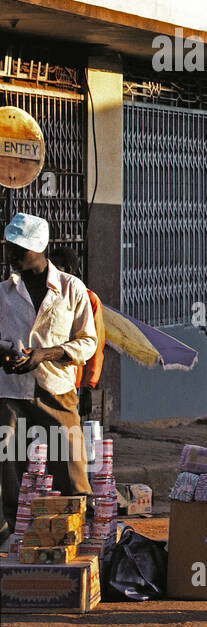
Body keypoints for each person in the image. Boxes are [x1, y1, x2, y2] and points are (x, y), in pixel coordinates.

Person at [1, 214, 97, 542]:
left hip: (57, 390)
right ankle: (19, 541)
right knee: (11, 471)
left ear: (40, 249)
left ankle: (78, 537)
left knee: (70, 466)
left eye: (20, 248)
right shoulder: (3, 293)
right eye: (9, 247)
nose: (11, 254)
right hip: (11, 393)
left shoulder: (71, 289)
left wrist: (45, 353)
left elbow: (87, 342)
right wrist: (8, 354)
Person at [47, 247, 105, 419]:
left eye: (56, 268)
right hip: (46, 376)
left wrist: (89, 386)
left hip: (73, 381)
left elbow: (95, 344)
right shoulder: (45, 295)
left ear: (69, 270)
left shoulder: (88, 298)